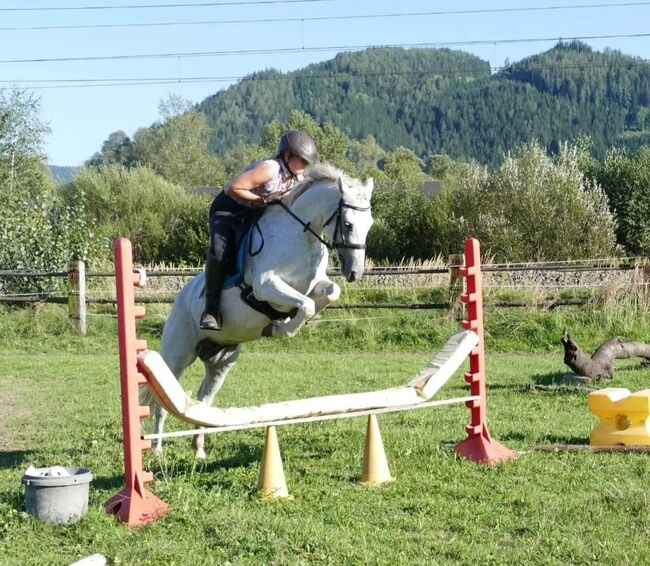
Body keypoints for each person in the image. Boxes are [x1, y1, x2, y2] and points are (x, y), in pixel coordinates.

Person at [200, 130, 318, 331]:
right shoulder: (269, 169)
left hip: (255, 212)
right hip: (229, 210)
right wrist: (263, 200)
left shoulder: (297, 178)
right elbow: (232, 188)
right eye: (302, 160)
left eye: (308, 162)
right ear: (288, 156)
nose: (305, 166)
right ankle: (211, 310)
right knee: (221, 251)